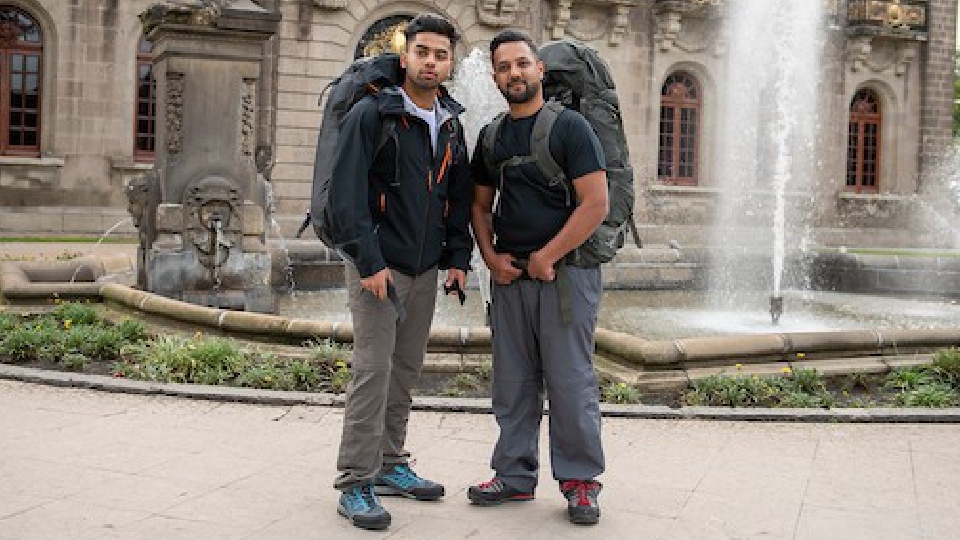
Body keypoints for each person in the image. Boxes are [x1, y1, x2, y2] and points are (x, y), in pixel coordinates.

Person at [325, 13, 473, 531]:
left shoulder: (450, 120)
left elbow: (455, 197)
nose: (431, 62)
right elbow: (345, 195)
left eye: (440, 54)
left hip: (425, 267)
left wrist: (457, 259)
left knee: (406, 369)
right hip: (378, 268)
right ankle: (354, 481)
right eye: (423, 52)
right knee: (372, 371)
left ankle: (389, 464)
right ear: (405, 55)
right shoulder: (373, 114)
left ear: (450, 63)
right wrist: (368, 261)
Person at [468, 29, 608, 525]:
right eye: (504, 67)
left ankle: (580, 481)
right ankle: (514, 475)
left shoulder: (571, 129)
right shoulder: (491, 136)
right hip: (512, 278)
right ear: (495, 77)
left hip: (565, 276)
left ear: (539, 70)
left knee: (571, 382)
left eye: (522, 64)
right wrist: (489, 256)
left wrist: (548, 255)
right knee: (512, 382)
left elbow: (596, 203)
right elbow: (480, 206)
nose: (515, 74)